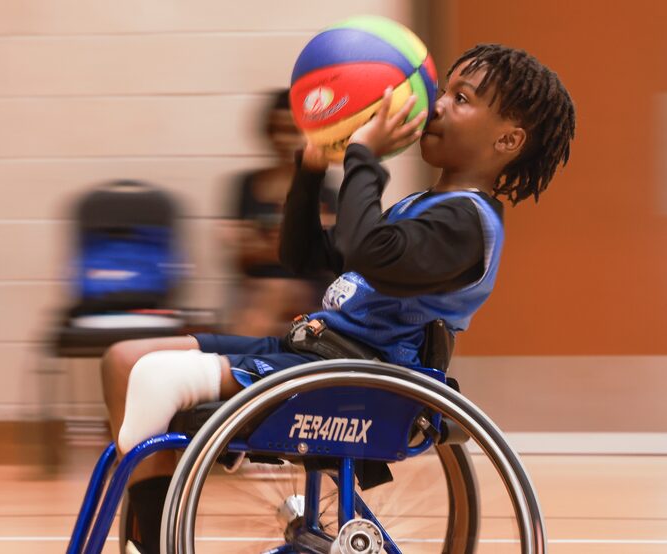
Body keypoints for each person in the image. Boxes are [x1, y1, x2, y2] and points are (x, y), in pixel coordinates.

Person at [101, 44, 576, 553]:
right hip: (312, 355)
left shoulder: (467, 223)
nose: (435, 104)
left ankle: (150, 540)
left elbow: (366, 250)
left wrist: (363, 158)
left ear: (508, 139)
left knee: (154, 377)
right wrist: (310, 165)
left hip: (357, 379)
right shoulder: (423, 207)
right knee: (124, 359)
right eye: (443, 90)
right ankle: (151, 526)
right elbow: (303, 254)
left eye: (461, 98)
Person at [224, 89, 337, 336]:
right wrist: (297, 238)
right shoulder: (248, 184)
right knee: (267, 293)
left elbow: (326, 257)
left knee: (274, 291)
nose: (284, 140)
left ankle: (242, 366)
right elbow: (242, 256)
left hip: (308, 287)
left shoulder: (322, 187)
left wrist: (269, 241)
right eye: (277, 130)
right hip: (255, 286)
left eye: (292, 131)